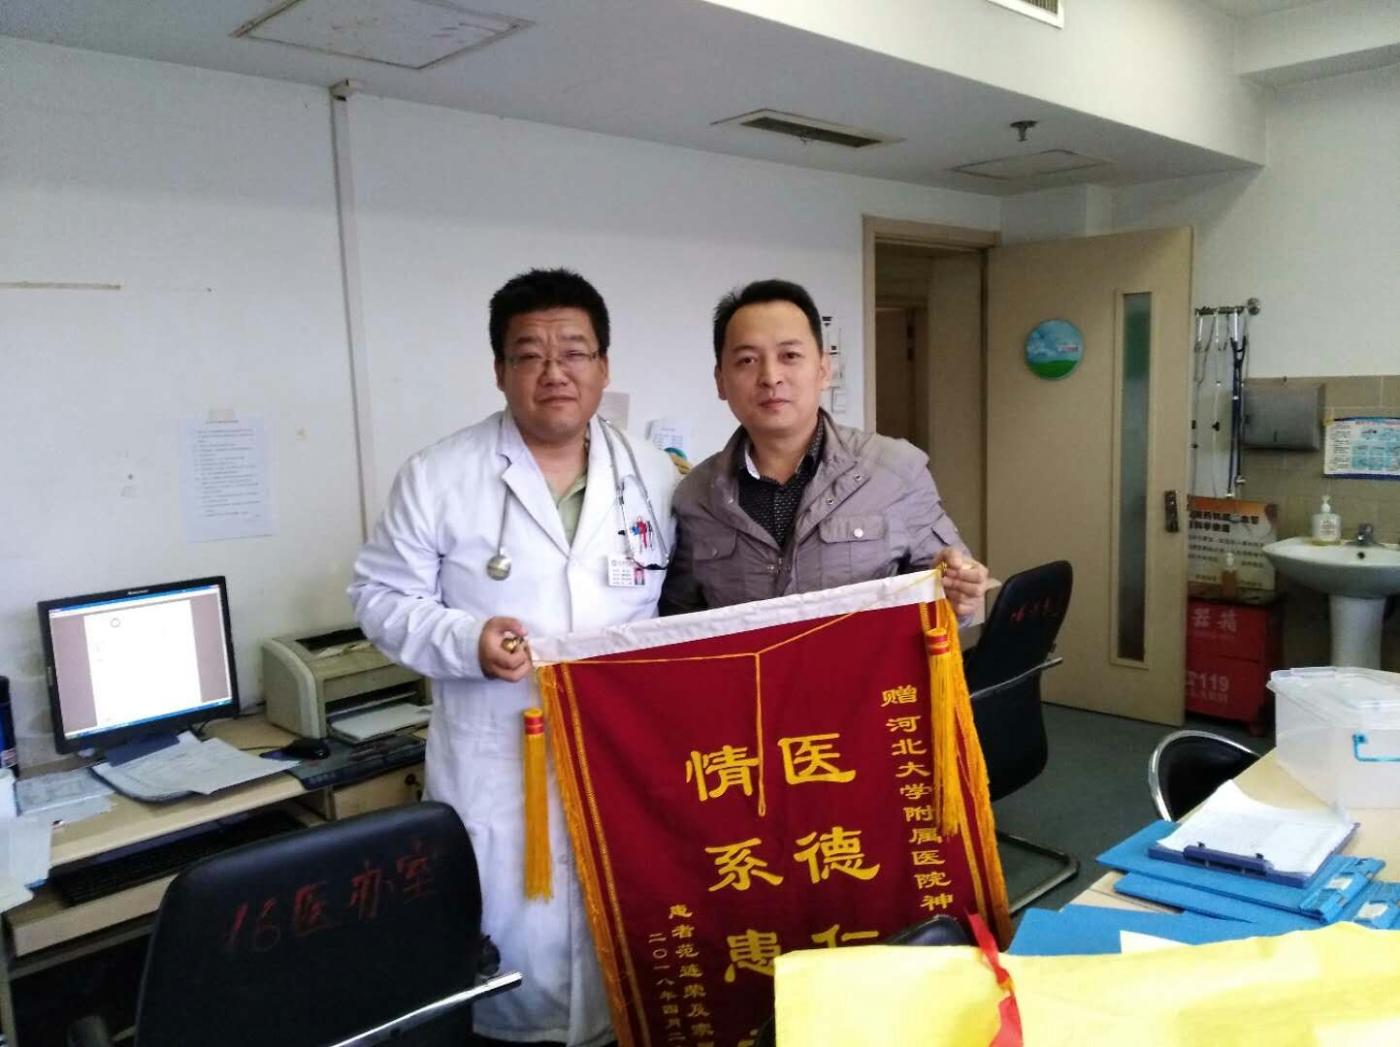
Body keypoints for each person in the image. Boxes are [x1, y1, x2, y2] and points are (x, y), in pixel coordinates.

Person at [349, 268, 677, 1047]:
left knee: (627, 968)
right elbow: (378, 597)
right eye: (529, 354)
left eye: (575, 352)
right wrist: (467, 640)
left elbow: (678, 605)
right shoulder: (439, 476)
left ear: (603, 366)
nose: (554, 371)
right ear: (499, 370)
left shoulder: (653, 473)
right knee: (509, 972)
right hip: (499, 759)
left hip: (620, 759)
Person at [660, 277, 989, 617]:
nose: (771, 377)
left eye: (790, 355)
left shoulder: (895, 470)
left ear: (823, 369)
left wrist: (959, 594)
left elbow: (953, 598)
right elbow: (679, 620)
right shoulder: (696, 496)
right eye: (747, 360)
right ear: (720, 380)